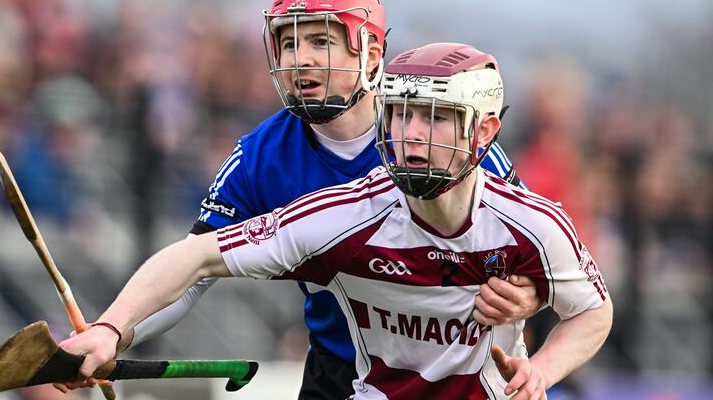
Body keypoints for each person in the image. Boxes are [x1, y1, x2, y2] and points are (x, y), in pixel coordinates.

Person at [58, 42, 612, 399]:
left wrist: (542, 369)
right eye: (402, 116)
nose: (414, 134)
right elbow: (195, 255)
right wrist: (110, 329)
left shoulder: (534, 223)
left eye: (438, 119)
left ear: (484, 132)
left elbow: (592, 310)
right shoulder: (344, 218)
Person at [116, 0, 540, 399]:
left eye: (321, 42)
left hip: (455, 377)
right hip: (341, 376)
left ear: (372, 55)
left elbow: (540, 259)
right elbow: (190, 271)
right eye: (288, 43)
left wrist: (529, 295)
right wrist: (111, 333)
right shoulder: (257, 158)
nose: (300, 59)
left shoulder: (436, 140)